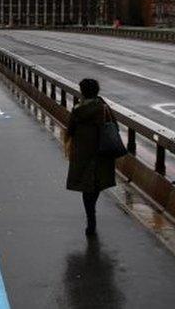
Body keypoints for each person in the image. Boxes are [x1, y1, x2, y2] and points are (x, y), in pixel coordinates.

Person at [65, 78, 117, 235]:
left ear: (82, 92)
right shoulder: (104, 108)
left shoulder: (77, 109)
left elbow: (70, 131)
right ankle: (92, 210)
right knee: (97, 183)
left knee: (86, 186)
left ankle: (91, 218)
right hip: (102, 152)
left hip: (83, 153)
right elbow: (115, 126)